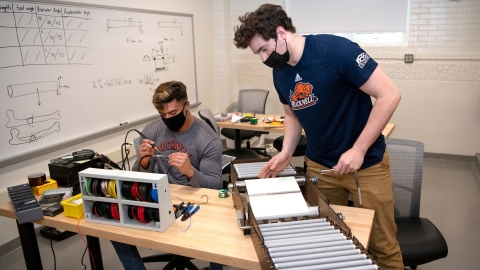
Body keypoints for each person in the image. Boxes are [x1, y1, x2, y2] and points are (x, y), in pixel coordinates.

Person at [233, 4, 403, 270]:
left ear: (281, 32)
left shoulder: (336, 51)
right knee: (328, 241)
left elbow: (390, 94)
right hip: (321, 168)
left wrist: (358, 149)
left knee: (383, 246)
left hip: (366, 166)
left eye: (264, 49)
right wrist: (286, 152)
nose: (263, 58)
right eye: (258, 53)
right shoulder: (280, 72)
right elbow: (292, 115)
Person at [111, 81, 223, 270]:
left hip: (197, 203)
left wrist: (190, 171)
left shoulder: (208, 139)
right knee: (113, 223)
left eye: (173, 113)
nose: (168, 118)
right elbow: (137, 182)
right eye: (163, 114)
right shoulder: (152, 130)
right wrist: (144, 162)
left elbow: (214, 185)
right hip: (160, 198)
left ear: (186, 106)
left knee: (222, 228)